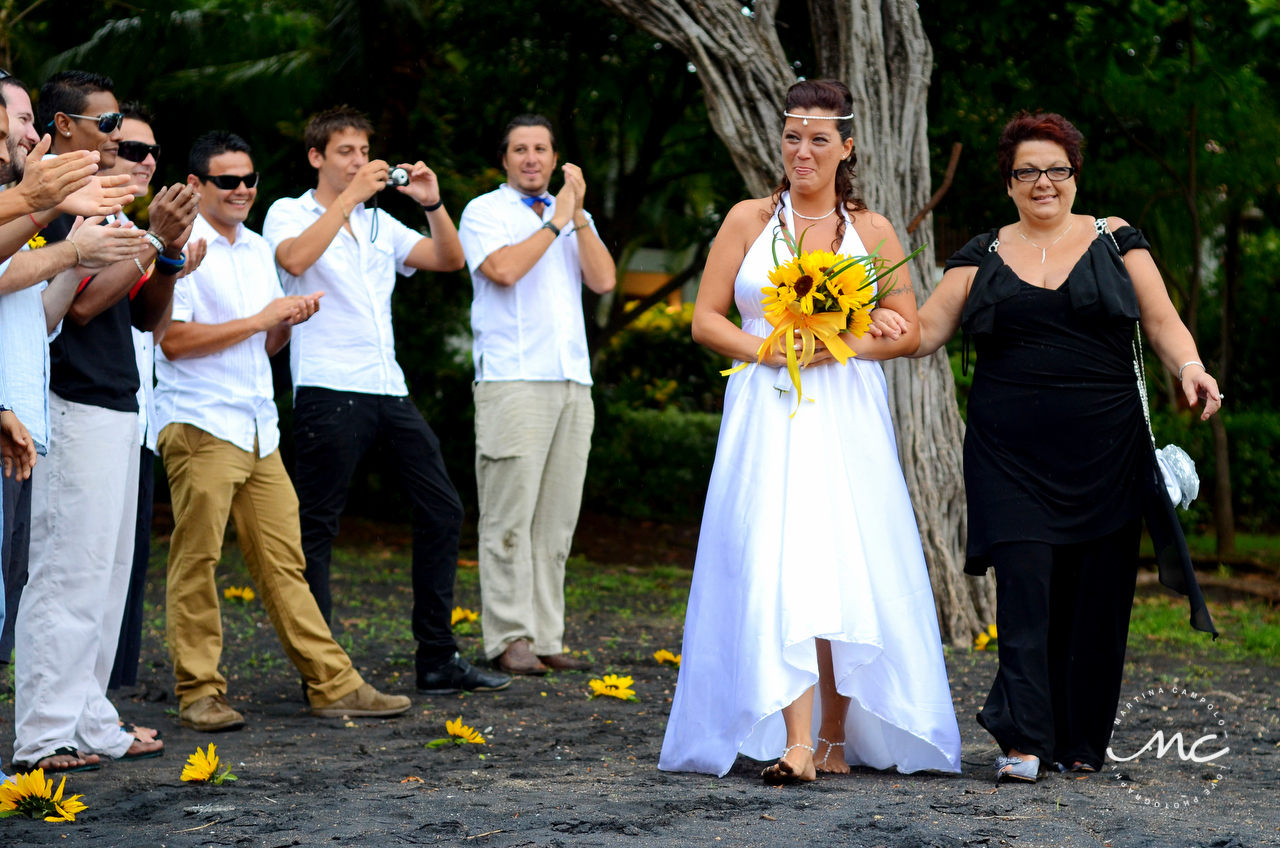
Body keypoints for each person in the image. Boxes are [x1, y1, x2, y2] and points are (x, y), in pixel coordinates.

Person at [897, 111, 1219, 783]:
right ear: (1009, 183)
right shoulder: (981, 254)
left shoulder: (1117, 240)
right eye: (1027, 172)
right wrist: (843, 320)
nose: (1043, 182)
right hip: (1006, 456)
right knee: (1025, 591)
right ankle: (1022, 739)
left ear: (1074, 175)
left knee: (1096, 600)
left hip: (1106, 452)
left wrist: (1190, 367)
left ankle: (1078, 741)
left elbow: (1163, 323)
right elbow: (922, 333)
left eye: (1056, 170)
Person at [657, 80, 962, 783]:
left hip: (845, 414)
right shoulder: (745, 220)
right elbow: (706, 320)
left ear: (846, 146)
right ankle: (795, 741)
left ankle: (834, 736)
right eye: (793, 136)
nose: (803, 150)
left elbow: (908, 328)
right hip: (766, 408)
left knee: (844, 565)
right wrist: (771, 348)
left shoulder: (875, 231)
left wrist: (856, 336)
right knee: (778, 560)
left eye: (819, 138)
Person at [154, 130, 410, 730]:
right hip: (200, 422)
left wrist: (287, 322)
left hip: (257, 427)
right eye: (227, 181)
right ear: (195, 186)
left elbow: (263, 341)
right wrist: (262, 320)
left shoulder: (256, 248)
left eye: (250, 179)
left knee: (284, 563)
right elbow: (172, 341)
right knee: (197, 562)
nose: (242, 189)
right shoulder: (182, 248)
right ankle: (198, 693)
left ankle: (333, 685)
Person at [263, 106, 509, 695]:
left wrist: (431, 203)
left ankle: (436, 657)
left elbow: (449, 259)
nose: (358, 161)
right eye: (345, 151)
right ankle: (320, 671)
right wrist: (346, 201)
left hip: (387, 386)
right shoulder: (287, 212)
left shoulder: (380, 224)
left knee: (443, 508)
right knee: (318, 526)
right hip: (326, 385)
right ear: (317, 156)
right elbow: (293, 260)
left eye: (363, 151)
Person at [12, 70, 193, 774]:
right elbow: (78, 305)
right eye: (107, 122)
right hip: (72, 398)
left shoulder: (103, 204)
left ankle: (89, 718)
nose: (118, 135)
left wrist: (164, 250)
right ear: (63, 127)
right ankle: (44, 731)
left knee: (109, 576)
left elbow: (144, 315)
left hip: (122, 399)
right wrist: (153, 239)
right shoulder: (47, 202)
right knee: (66, 573)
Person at [457, 115, 615, 675]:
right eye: (520, 149)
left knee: (556, 520)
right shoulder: (484, 211)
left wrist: (576, 217)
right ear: (504, 159)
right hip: (512, 380)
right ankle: (509, 637)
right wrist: (555, 224)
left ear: (554, 158)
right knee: (508, 517)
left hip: (573, 381)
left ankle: (547, 634)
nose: (531, 158)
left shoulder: (573, 214)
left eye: (541, 149)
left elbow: (603, 281)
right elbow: (502, 271)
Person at [0, 74, 142, 672]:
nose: (28, 132)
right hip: (53, 406)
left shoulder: (26, 205)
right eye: (21, 118)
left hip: (20, 418)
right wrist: (57, 222)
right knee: (62, 580)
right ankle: (49, 734)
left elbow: (45, 314)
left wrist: (82, 253)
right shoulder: (30, 203)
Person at [99, 102, 209, 691]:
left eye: (152, 152)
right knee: (80, 572)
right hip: (84, 408)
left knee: (127, 565)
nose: (144, 161)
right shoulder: (94, 220)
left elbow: (151, 332)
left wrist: (169, 268)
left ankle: (111, 695)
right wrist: (158, 246)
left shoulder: (134, 224)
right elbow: (85, 306)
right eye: (132, 149)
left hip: (137, 411)